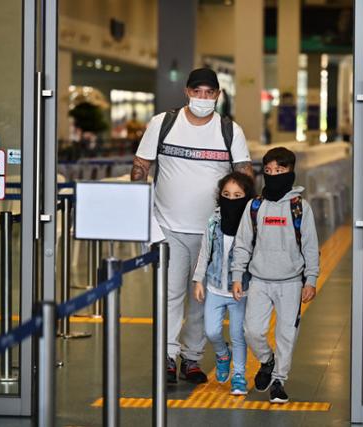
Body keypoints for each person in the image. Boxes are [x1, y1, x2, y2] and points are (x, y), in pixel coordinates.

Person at [131, 68, 254, 384]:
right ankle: (168, 357)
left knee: (202, 298)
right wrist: (141, 211)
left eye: (209, 93)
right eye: (197, 92)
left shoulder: (229, 130)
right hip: (167, 226)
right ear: (187, 91)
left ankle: (192, 358)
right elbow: (141, 165)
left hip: (213, 231)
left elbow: (243, 173)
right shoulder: (163, 124)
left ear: (218, 95)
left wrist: (242, 221)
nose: (203, 98)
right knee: (170, 295)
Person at [231, 147, 320, 404]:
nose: (273, 175)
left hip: (291, 283)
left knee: (286, 335)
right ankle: (267, 360)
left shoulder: (300, 207)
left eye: (279, 171)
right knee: (252, 331)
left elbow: (311, 247)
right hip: (259, 280)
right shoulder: (255, 206)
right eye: (268, 171)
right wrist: (238, 275)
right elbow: (242, 244)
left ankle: (279, 380)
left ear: (291, 173)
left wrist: (311, 280)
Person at [192, 172, 255, 395]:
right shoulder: (214, 221)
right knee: (211, 331)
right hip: (214, 287)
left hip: (241, 291)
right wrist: (198, 280)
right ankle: (222, 354)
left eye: (238, 195)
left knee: (238, 335)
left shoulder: (251, 224)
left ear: (248, 197)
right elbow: (204, 252)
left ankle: (239, 375)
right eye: (226, 194)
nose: (231, 199)